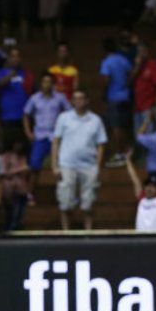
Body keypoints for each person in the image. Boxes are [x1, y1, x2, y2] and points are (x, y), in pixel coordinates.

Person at [51, 89, 108, 230]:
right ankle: (66, 233)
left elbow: (101, 144)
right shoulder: (63, 118)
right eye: (75, 98)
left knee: (88, 203)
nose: (78, 101)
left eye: (81, 98)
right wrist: (54, 165)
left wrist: (97, 167)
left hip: (89, 165)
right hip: (67, 164)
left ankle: (88, 234)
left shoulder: (95, 120)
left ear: (87, 100)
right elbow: (56, 142)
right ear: (72, 101)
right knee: (65, 202)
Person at [23, 72, 71, 198]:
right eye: (44, 82)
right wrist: (28, 132)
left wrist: (66, 131)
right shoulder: (34, 98)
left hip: (56, 136)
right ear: (41, 84)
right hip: (39, 136)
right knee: (34, 165)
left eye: (49, 82)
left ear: (53, 83)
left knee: (61, 165)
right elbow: (26, 115)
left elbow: (70, 113)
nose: (47, 84)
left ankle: (65, 193)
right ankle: (30, 193)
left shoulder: (60, 97)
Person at [100, 37, 132, 167]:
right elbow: (130, 75)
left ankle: (121, 153)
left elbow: (106, 80)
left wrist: (104, 94)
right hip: (126, 97)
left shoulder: (107, 62)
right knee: (124, 126)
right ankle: (125, 151)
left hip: (114, 98)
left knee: (116, 127)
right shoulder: (123, 60)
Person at [0, 47, 33, 151]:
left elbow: (31, 91)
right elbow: (0, 83)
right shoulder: (2, 72)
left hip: (24, 115)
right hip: (8, 115)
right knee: (8, 146)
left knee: (24, 147)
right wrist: (10, 75)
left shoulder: (26, 74)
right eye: (13, 56)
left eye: (18, 56)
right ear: (8, 58)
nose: (16, 59)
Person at [132, 43, 156, 134]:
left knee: (149, 135)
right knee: (138, 136)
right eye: (139, 52)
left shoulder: (153, 65)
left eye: (144, 51)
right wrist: (137, 66)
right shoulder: (136, 66)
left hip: (149, 107)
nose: (142, 53)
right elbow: (130, 81)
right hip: (137, 107)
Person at [0, 139, 31, 230]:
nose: (19, 145)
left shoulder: (23, 157)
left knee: (20, 214)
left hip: (22, 190)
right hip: (10, 190)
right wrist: (19, 169)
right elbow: (4, 173)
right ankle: (10, 230)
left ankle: (17, 228)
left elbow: (27, 172)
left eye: (20, 143)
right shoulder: (5, 157)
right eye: (16, 143)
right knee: (13, 213)